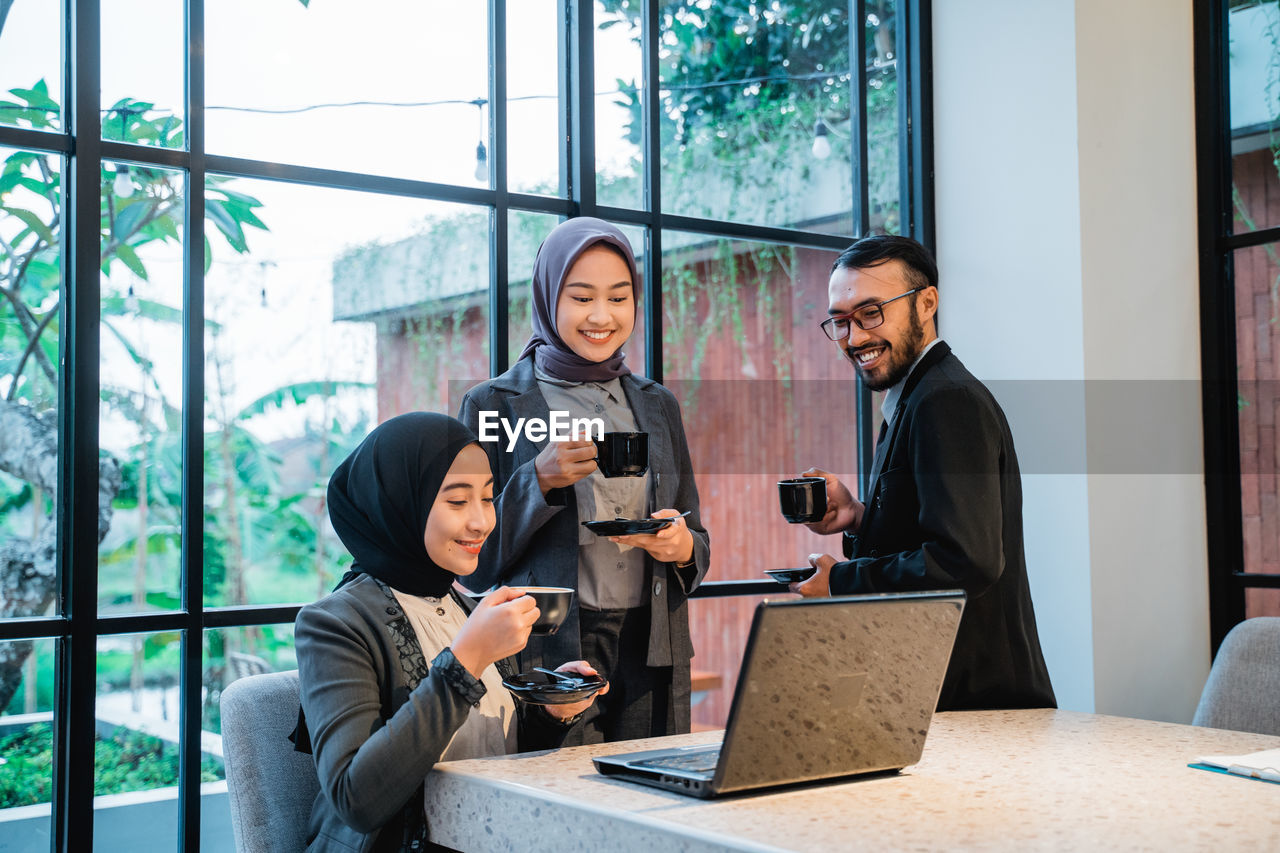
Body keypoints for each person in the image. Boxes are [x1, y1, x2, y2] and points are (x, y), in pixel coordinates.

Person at [293, 412, 606, 851]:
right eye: (458, 502)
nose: (482, 522)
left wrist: (550, 714)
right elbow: (356, 800)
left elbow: (490, 752)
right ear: (401, 504)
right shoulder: (334, 624)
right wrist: (466, 662)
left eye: (488, 498)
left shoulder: (464, 607)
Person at [458, 217, 709, 743]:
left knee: (651, 804)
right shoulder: (494, 404)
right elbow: (472, 565)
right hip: (549, 648)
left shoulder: (657, 404)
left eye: (619, 298)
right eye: (581, 297)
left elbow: (696, 538)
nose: (601, 316)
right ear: (549, 299)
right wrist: (538, 480)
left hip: (652, 644)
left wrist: (682, 546)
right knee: (559, 805)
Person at [793, 234, 1056, 711]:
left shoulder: (944, 399)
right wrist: (857, 516)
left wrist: (841, 582)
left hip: (976, 705)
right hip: (943, 692)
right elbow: (935, 534)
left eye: (871, 313)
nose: (855, 338)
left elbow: (964, 561)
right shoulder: (915, 397)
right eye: (840, 321)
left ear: (927, 302)